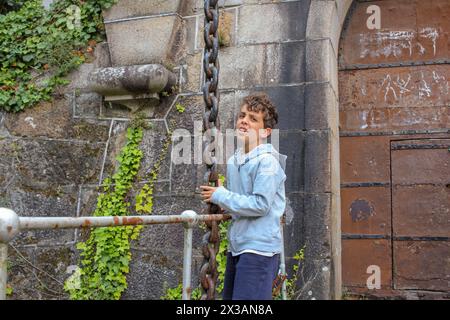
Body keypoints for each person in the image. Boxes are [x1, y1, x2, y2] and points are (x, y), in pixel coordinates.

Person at [200, 92, 287, 300]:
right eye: (242, 116)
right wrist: (224, 201)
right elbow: (240, 201)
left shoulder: (267, 162)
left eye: (253, 119)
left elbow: (260, 205)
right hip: (238, 247)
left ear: (266, 131)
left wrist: (222, 195)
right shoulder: (234, 161)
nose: (244, 121)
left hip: (259, 250)